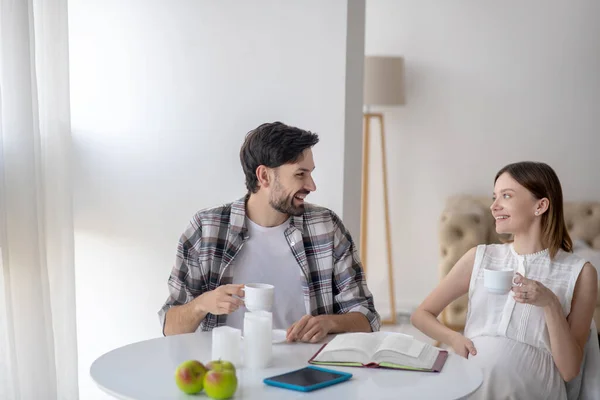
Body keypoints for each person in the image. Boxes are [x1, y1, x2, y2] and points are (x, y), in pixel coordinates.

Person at [158, 121, 380, 342]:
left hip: (306, 370)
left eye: (310, 173)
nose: (312, 186)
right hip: (226, 370)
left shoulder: (326, 227)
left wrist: (329, 322)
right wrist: (203, 304)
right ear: (264, 176)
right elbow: (170, 327)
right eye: (300, 174)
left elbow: (368, 318)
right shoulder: (206, 229)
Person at [411, 161, 597, 399]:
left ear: (540, 206)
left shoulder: (580, 272)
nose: (494, 207)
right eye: (494, 197)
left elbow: (570, 371)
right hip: (469, 382)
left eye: (506, 196)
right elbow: (421, 314)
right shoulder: (480, 257)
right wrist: (454, 338)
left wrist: (550, 303)